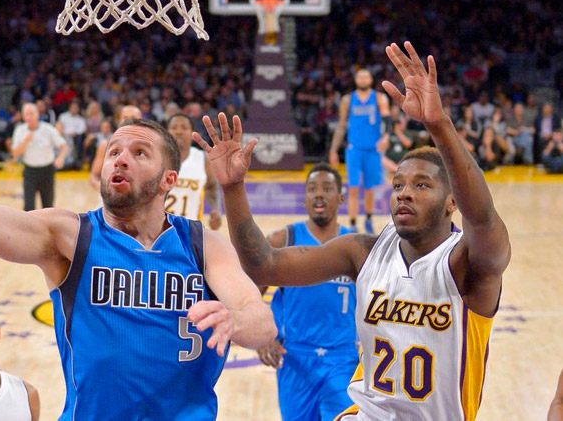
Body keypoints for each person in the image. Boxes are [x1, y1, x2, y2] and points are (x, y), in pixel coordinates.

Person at [0, 92, 275, 419]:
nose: (120, 159)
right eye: (114, 151)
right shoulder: (69, 236)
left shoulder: (201, 244)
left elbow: (262, 322)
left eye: (139, 153)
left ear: (168, 180)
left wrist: (234, 322)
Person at [197, 42, 510, 420]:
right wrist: (233, 189)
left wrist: (438, 125)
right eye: (397, 185)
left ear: (451, 201)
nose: (404, 193)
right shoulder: (362, 251)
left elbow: (483, 219)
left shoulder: (469, 264)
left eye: (421, 185)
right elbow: (265, 266)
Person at [255, 162, 358, 421]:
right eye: (312, 189)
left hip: (343, 359)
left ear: (341, 198)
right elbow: (251, 293)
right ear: (304, 199)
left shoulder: (356, 246)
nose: (318, 194)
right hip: (295, 357)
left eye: (326, 188)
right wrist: (263, 337)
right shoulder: (282, 240)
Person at [329, 69, 391, 234]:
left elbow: (387, 119)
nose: (363, 79)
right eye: (360, 77)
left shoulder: (379, 98)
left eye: (366, 76)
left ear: (371, 79)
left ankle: (369, 220)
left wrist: (386, 137)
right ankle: (353, 223)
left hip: (373, 150)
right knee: (353, 188)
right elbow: (341, 125)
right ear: (355, 80)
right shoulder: (348, 99)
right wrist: (333, 150)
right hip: (354, 149)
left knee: (370, 188)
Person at [163, 113, 222, 230]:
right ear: (167, 133)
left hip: (190, 231)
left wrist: (216, 209)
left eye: (184, 128)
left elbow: (211, 186)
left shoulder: (203, 158)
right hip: (159, 232)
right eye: (174, 128)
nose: (179, 131)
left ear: (193, 133)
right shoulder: (157, 158)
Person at [11, 103, 68, 211]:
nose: (29, 117)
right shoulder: (20, 130)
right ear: (23, 116)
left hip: (47, 170)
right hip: (30, 171)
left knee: (48, 205)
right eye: (26, 114)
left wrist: (60, 158)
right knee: (28, 206)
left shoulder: (48, 129)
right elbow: (15, 153)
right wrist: (25, 141)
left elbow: (64, 145)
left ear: (37, 114)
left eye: (31, 114)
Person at [89, 105, 142, 190]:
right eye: (125, 117)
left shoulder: (150, 146)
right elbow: (93, 177)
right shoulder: (105, 145)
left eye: (133, 118)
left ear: (142, 121)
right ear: (119, 121)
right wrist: (106, 190)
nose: (129, 121)